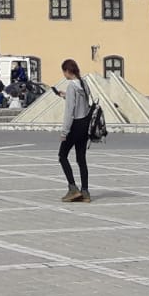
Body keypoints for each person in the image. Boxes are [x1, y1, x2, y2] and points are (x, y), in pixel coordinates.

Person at [51, 58, 94, 203]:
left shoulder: (71, 87)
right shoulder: (83, 83)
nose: (64, 75)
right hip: (85, 125)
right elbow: (83, 104)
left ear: (68, 71)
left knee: (62, 156)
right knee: (81, 159)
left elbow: (70, 111)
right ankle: (85, 192)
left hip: (74, 126)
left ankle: (72, 188)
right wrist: (65, 96)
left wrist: (64, 132)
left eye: (64, 72)